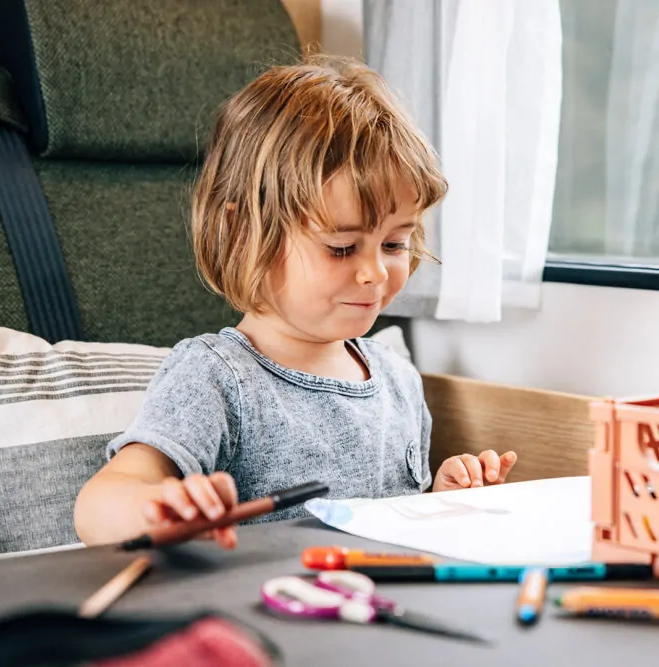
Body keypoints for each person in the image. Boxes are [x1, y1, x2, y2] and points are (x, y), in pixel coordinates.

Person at [74, 55, 517, 549]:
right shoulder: (216, 378)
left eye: (394, 244)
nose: (374, 272)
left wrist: (440, 496)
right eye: (342, 248)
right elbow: (100, 504)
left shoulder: (398, 381)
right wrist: (153, 509)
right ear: (242, 234)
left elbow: (390, 529)